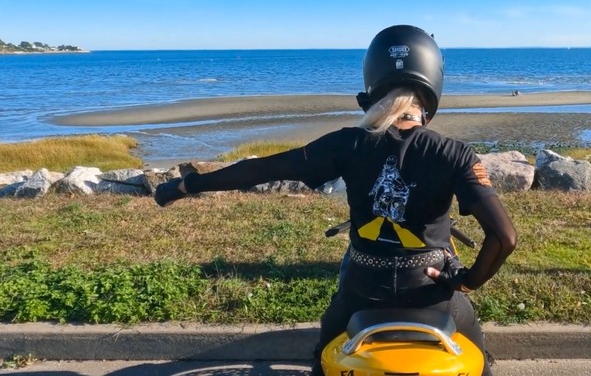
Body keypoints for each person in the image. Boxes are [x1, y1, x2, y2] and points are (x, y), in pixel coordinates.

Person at [154, 25, 517, 376]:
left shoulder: (347, 143)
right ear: (433, 83)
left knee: (325, 354)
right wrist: (465, 283)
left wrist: (187, 186)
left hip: (363, 290)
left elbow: (260, 169)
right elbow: (504, 237)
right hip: (431, 292)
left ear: (371, 81)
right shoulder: (454, 153)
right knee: (476, 355)